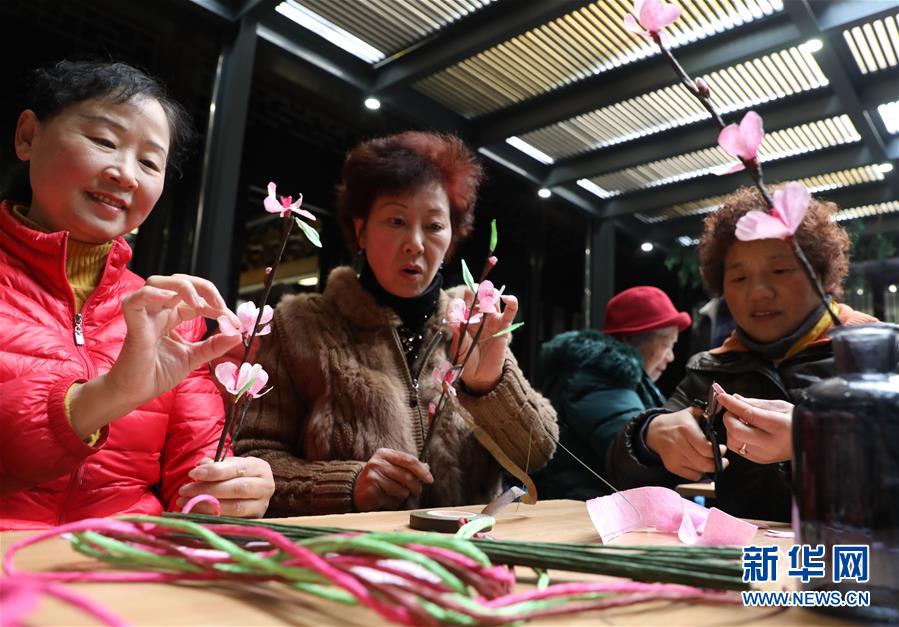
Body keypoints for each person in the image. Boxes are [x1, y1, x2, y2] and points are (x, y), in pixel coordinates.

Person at [0, 60, 274, 528]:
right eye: (104, 141)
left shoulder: (167, 313)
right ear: (28, 136)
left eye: (149, 162)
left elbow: (194, 473)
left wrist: (228, 487)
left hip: (123, 567)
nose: (126, 174)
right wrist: (111, 394)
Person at [235, 131, 558, 515]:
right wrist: (349, 486)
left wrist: (489, 385)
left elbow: (537, 453)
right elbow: (253, 458)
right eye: (396, 220)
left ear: (454, 235)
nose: (416, 243)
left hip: (469, 556)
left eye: (435, 225)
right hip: (349, 561)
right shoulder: (300, 325)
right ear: (361, 231)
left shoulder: (474, 322)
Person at [607, 186, 877, 521]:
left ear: (822, 274)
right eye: (738, 277)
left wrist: (816, 439)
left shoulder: (880, 356)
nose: (758, 292)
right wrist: (650, 437)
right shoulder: (713, 369)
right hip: (745, 566)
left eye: (779, 270)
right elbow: (620, 475)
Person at [534, 286, 690, 500]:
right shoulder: (599, 376)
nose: (670, 357)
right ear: (628, 340)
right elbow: (632, 450)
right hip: (585, 512)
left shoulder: (617, 378)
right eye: (666, 345)